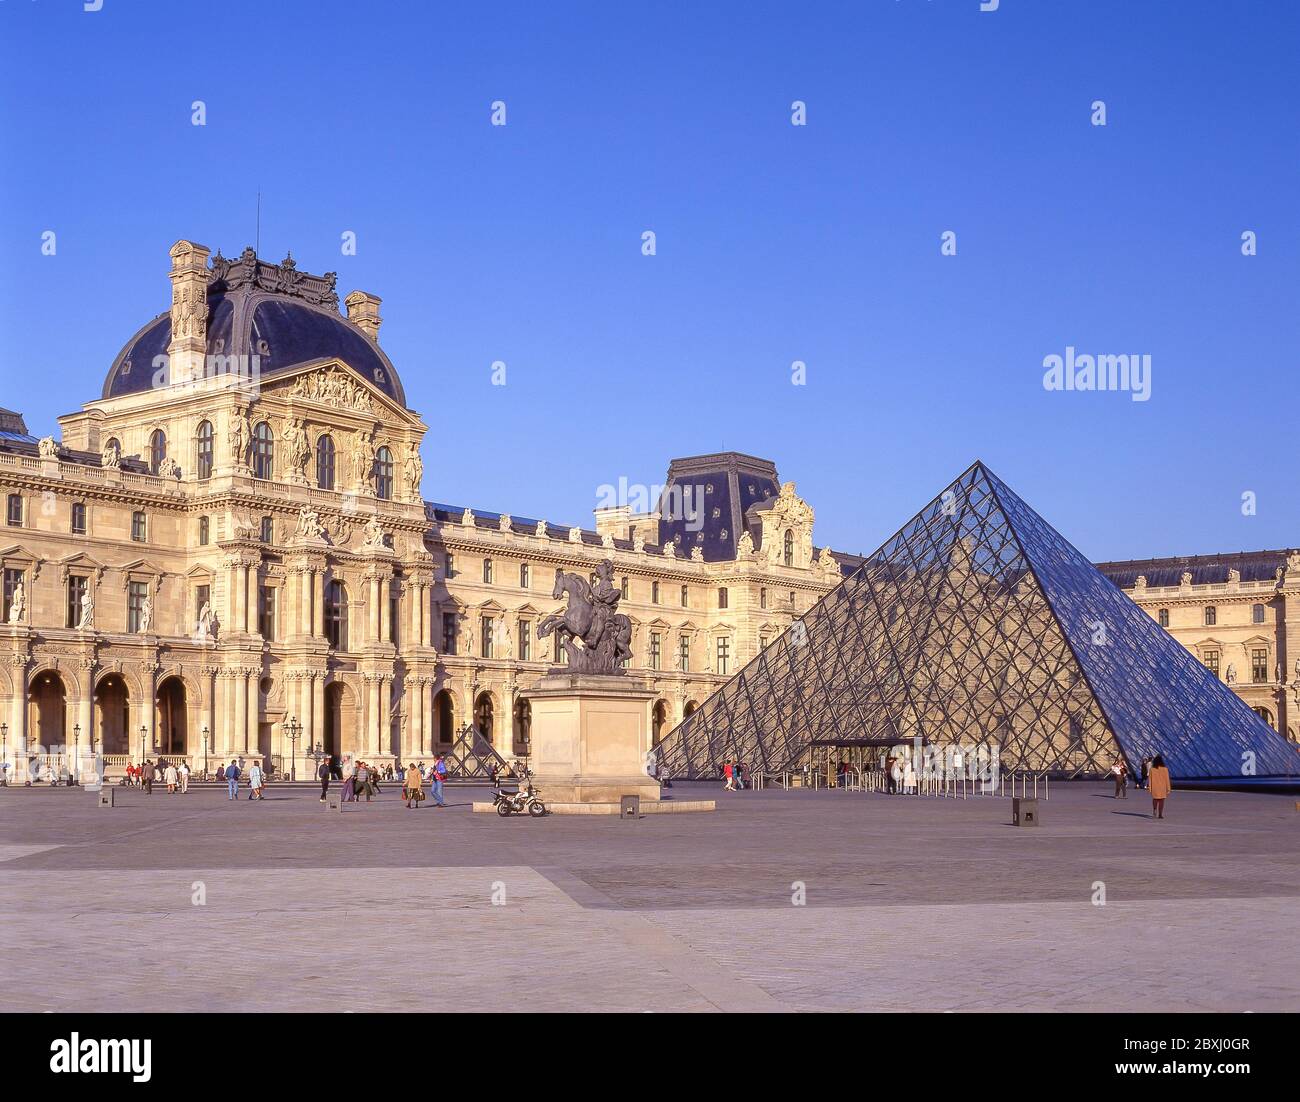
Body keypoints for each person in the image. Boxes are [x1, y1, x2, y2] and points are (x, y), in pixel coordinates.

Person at [1148, 753, 1171, 820]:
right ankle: (1160, 814)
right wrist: (1168, 788)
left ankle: (1154, 810)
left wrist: (1150, 788)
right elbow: (1167, 779)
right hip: (1162, 787)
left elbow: (1150, 779)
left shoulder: (1152, 770)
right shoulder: (1165, 769)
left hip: (1155, 787)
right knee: (1161, 801)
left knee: (1155, 799)